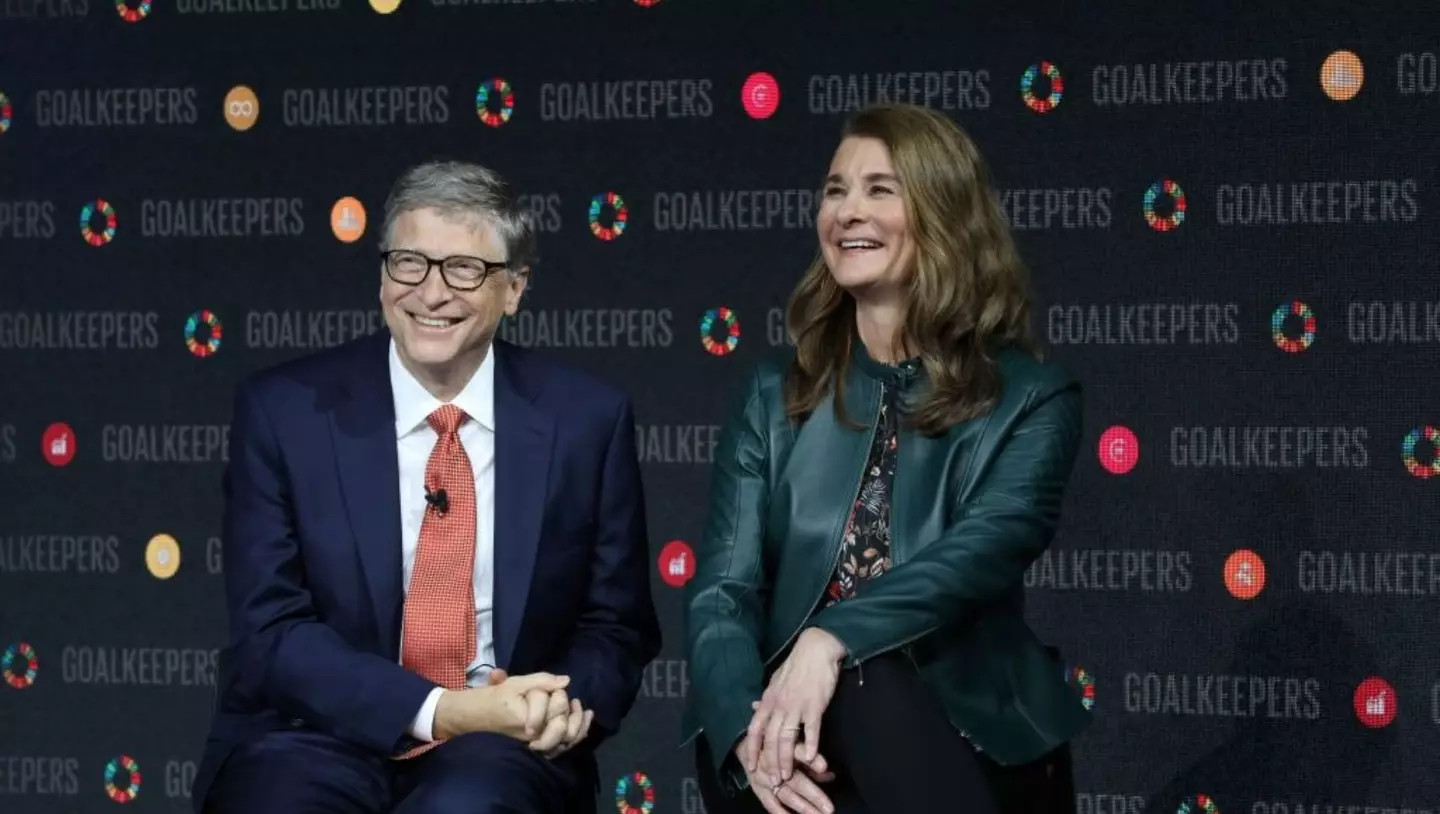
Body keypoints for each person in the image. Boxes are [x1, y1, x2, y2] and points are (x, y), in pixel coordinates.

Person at [194, 160, 662, 814]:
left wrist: (557, 704)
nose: (431, 293)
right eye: (409, 262)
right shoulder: (284, 412)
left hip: (503, 745)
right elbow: (271, 633)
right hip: (311, 734)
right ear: (382, 275)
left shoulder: (586, 420)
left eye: (464, 269)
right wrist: (445, 710)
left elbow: (615, 625)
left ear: (515, 289)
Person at [681, 103, 1091, 814]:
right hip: (788, 731)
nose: (848, 211)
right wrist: (742, 727)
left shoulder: (1031, 397)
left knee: (872, 684)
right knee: (782, 721)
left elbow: (982, 550)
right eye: (835, 190)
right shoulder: (773, 394)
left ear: (944, 213)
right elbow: (724, 592)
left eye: (880, 189)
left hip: (963, 725)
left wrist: (829, 639)